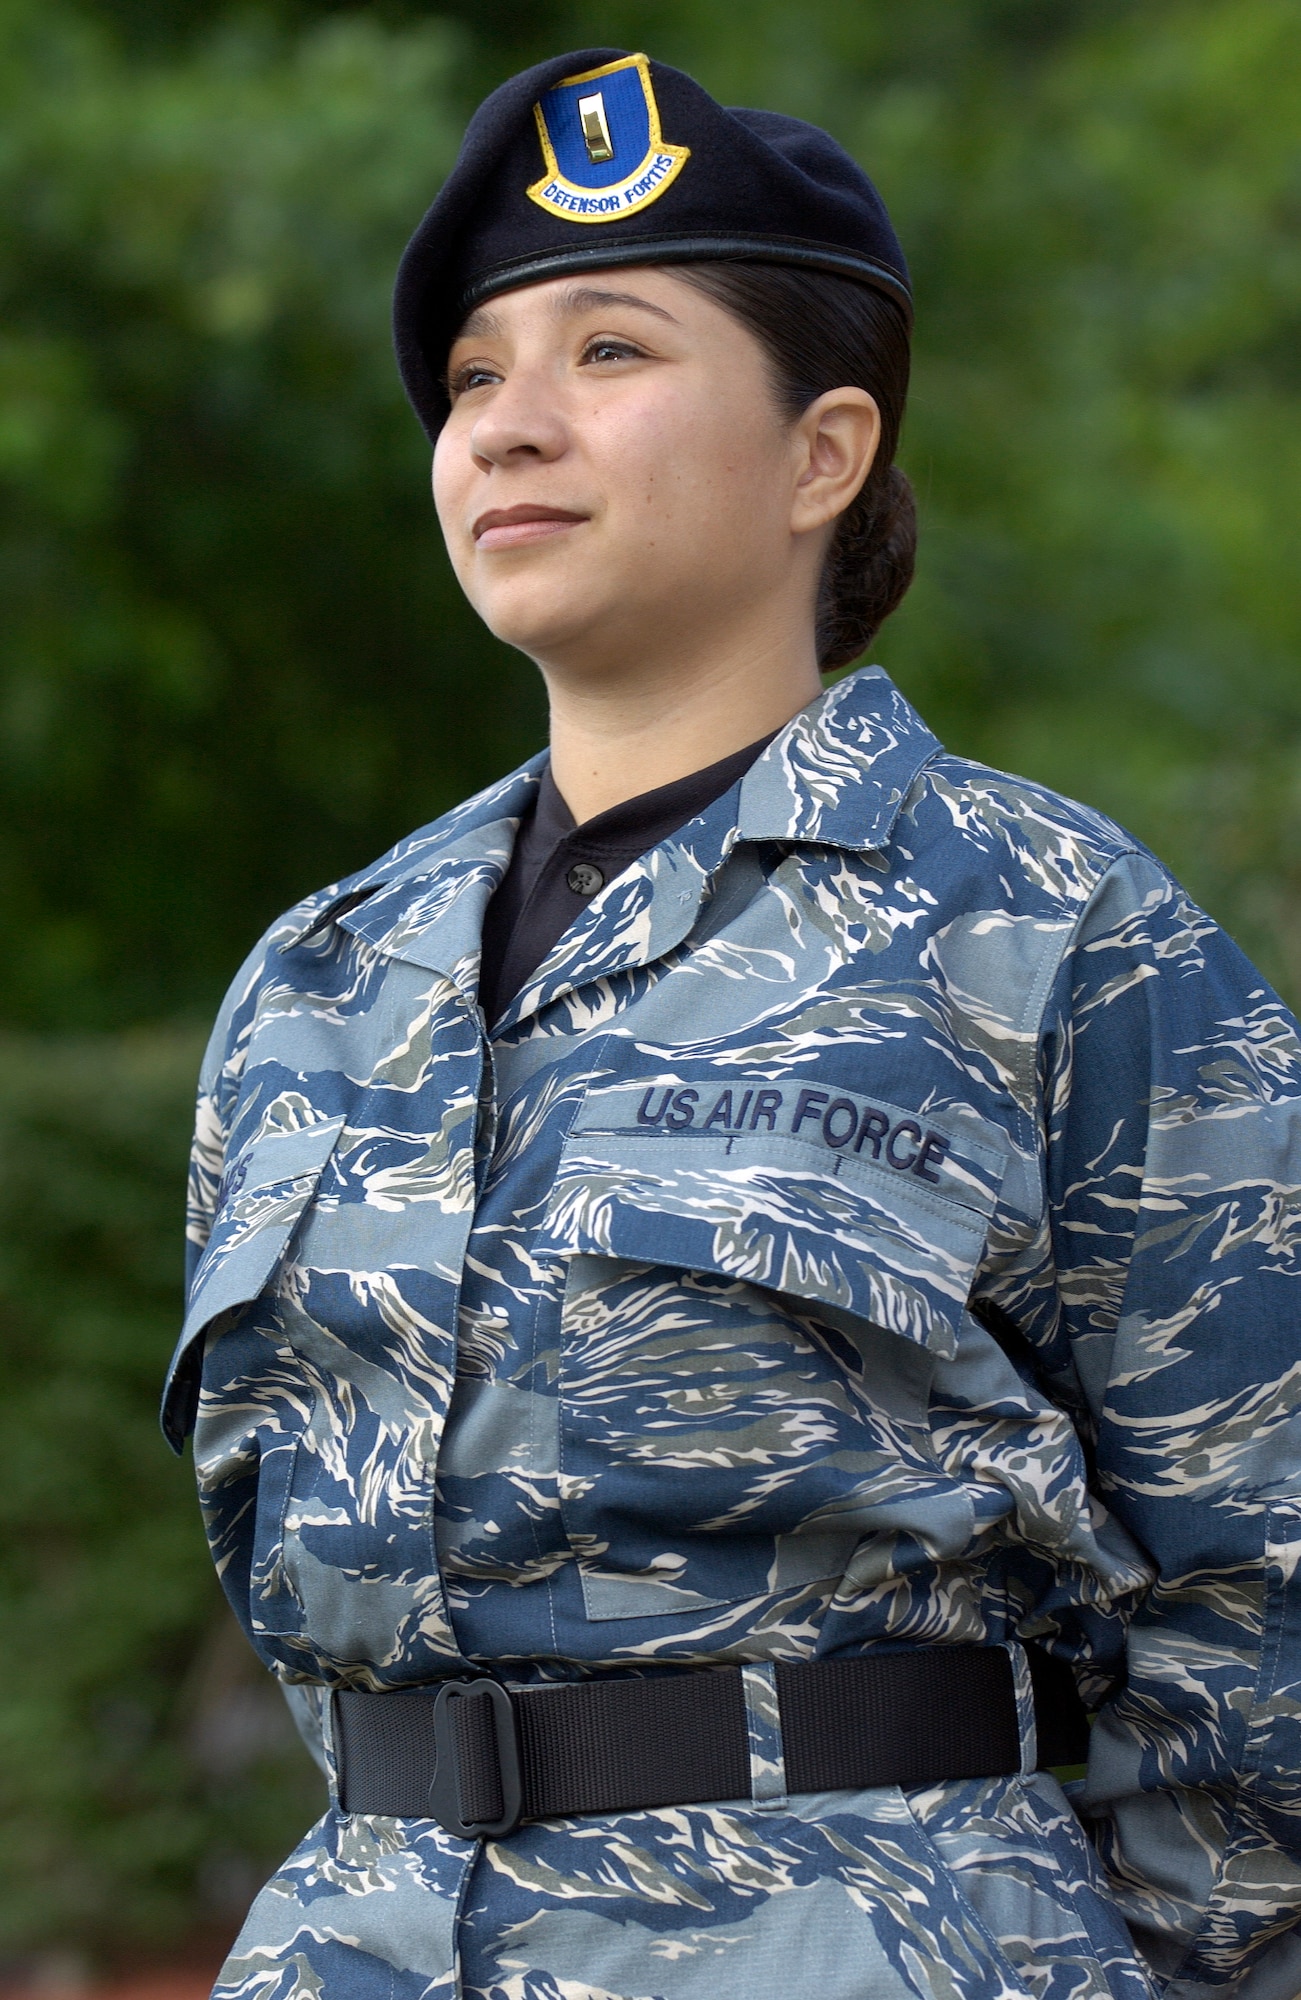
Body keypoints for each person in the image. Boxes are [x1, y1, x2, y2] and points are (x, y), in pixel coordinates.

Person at [164, 47, 1301, 2000]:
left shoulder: (1047, 931)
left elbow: (1264, 1558)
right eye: (469, 378)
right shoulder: (323, 979)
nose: (508, 425)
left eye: (609, 350)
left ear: (821, 456)